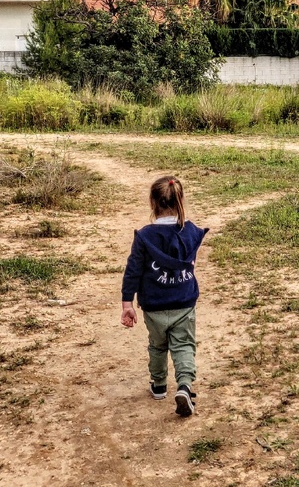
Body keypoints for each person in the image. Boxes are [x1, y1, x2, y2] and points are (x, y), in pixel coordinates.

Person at [121, 176, 208, 417]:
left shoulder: (145, 236)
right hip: (183, 303)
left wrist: (127, 302)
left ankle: (159, 386)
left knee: (157, 346)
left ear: (152, 203)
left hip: (154, 306)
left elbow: (133, 271)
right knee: (183, 346)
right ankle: (184, 386)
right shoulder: (191, 232)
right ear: (181, 200)